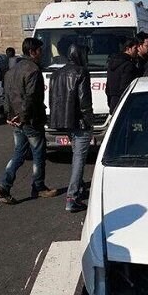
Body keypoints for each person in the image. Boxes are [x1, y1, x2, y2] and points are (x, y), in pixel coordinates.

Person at [0, 37, 57, 204]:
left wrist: (9, 116)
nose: (42, 54)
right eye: (40, 51)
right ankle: (39, 187)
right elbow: (31, 98)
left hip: (16, 120)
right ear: (32, 52)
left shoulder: (11, 71)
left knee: (19, 153)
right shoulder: (33, 70)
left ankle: (3, 186)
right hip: (30, 120)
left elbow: (6, 96)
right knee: (38, 154)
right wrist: (23, 117)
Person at [49, 44, 93, 213]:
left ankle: (79, 187)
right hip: (80, 122)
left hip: (65, 122)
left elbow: (54, 100)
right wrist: (89, 121)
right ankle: (72, 197)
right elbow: (84, 102)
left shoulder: (56, 74)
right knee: (79, 159)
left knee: (76, 155)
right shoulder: (81, 72)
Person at [106, 38, 139, 114]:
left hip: (113, 101)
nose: (137, 50)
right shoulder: (128, 65)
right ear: (128, 49)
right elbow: (125, 87)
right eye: (135, 48)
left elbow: (108, 87)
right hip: (124, 103)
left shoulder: (112, 63)